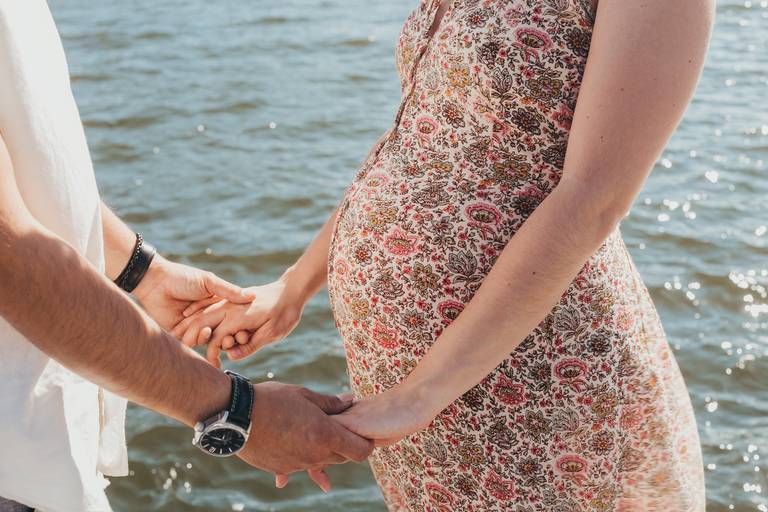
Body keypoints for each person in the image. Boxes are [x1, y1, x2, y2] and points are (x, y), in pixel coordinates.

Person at [177, 0, 716, 510]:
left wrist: (419, 395)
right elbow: (419, 133)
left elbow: (592, 199)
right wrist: (295, 286)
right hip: (417, 392)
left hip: (540, 383)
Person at [0, 2, 372, 511]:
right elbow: (11, 262)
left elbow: (32, 156)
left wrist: (143, 273)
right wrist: (237, 412)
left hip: (34, 445)